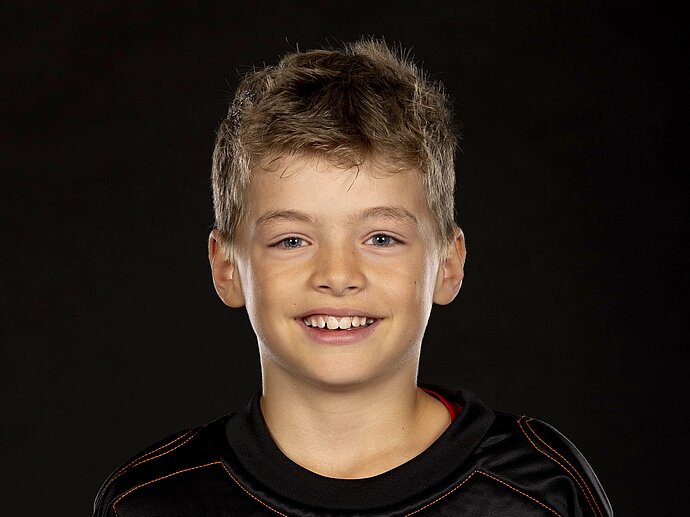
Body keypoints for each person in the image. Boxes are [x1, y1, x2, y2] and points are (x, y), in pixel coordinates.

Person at [93, 39, 612, 516]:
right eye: (292, 240)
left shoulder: (540, 491)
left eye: (381, 238)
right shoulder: (150, 502)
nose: (338, 276)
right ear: (226, 267)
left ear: (448, 265)